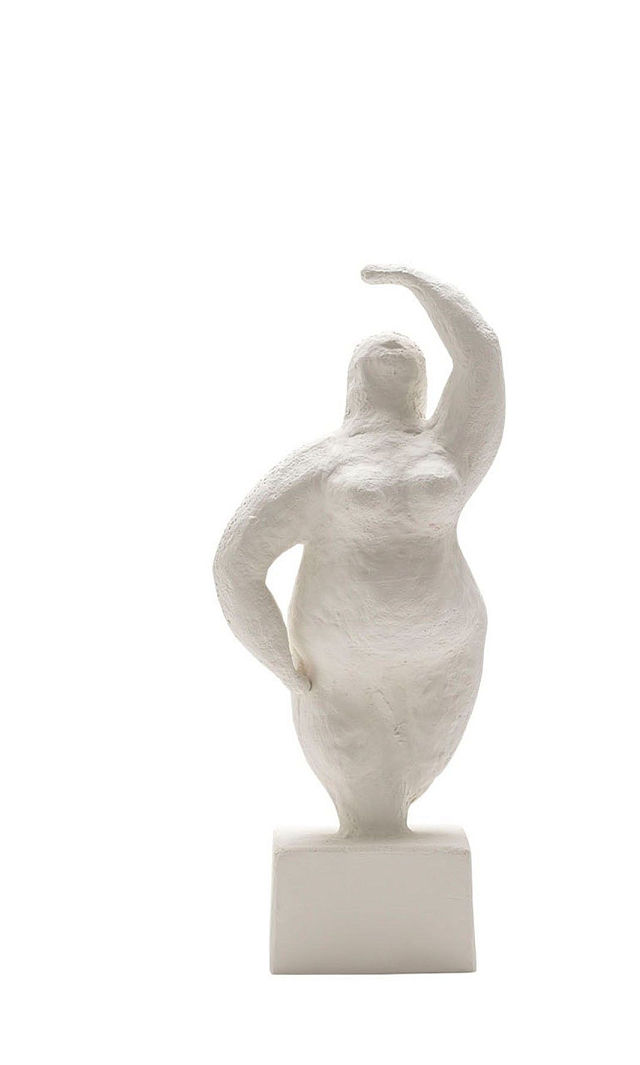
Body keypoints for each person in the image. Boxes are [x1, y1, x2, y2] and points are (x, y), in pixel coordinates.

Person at [214, 265, 504, 836]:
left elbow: (482, 359)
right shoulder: (322, 466)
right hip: (341, 668)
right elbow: (236, 564)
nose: (392, 345)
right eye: (375, 349)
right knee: (365, 799)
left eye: (406, 349)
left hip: (446, 650)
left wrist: (420, 285)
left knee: (411, 777)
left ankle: (387, 850)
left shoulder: (451, 451)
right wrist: (283, 665)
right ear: (354, 380)